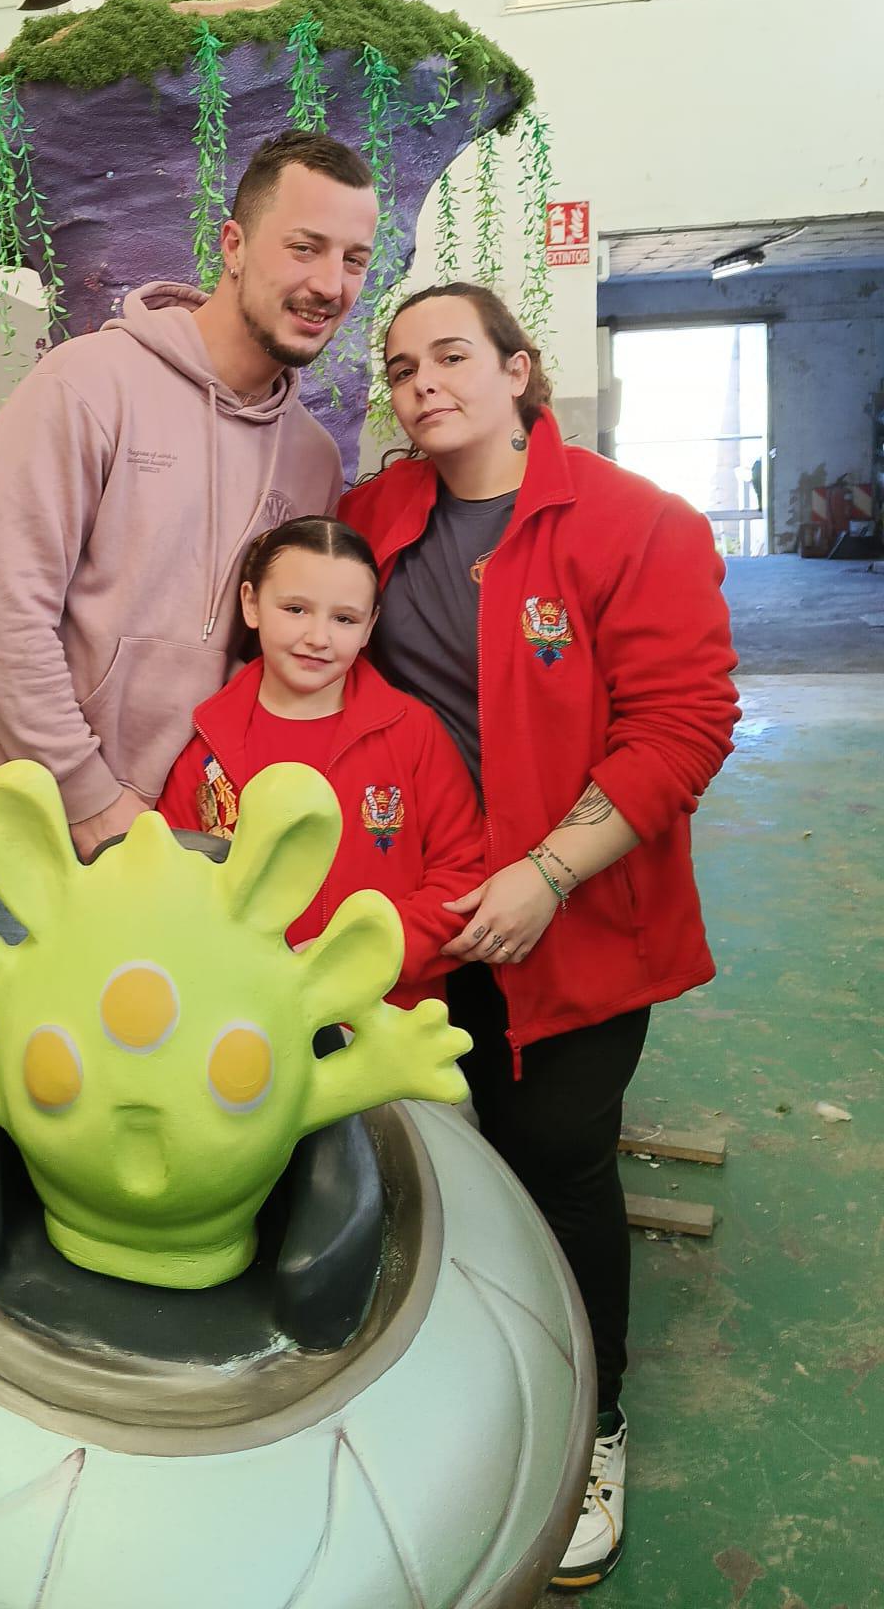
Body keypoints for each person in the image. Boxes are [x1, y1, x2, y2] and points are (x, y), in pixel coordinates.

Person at [338, 280, 738, 1589]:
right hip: (422, 909)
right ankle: (444, 1374)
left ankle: (588, 1419)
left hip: (573, 917)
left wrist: (550, 871)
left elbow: (682, 728)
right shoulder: (374, 519)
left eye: (452, 355)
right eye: (402, 366)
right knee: (416, 1146)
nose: (423, 383)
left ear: (520, 371)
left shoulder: (637, 526)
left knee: (555, 1154)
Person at [0, 130, 380, 938]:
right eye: (305, 247)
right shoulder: (87, 384)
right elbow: (6, 611)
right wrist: (87, 795)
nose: (330, 283)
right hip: (36, 810)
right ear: (234, 246)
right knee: (17, 1027)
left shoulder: (312, 458)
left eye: (354, 260)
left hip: (196, 830)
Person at [157, 515, 484, 1004]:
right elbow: (170, 880)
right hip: (238, 1016)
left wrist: (365, 950)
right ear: (251, 604)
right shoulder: (205, 738)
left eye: (344, 619)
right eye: (295, 609)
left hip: (381, 1018)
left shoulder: (413, 733)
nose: (318, 637)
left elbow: (462, 878)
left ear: (370, 626)